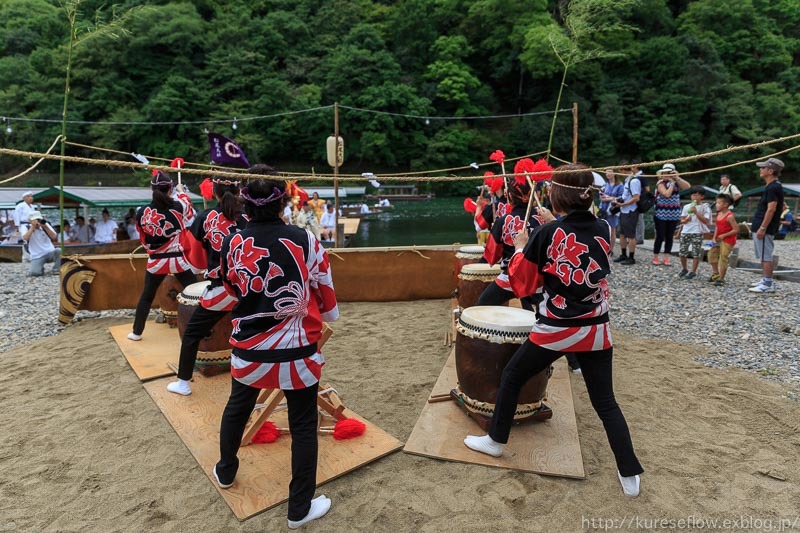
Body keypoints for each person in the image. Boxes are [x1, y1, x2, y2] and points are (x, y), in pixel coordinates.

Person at [463, 164, 643, 497]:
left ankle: (495, 440)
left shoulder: (544, 234)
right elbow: (579, 240)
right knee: (605, 402)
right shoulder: (605, 228)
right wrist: (555, 225)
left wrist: (520, 247)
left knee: (513, 376)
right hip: (596, 329)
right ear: (589, 196)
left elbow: (523, 282)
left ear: (555, 195)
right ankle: (629, 472)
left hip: (557, 328)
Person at [215, 170, 338, 529]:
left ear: (244, 203)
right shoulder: (305, 240)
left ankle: (225, 471)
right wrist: (324, 311)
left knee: (238, 407)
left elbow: (231, 290)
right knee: (302, 424)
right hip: (297, 352)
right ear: (285, 201)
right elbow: (327, 298)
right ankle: (299, 508)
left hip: (249, 350)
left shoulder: (231, 242)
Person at [167, 178, 246, 396]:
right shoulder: (249, 218)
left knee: (192, 333)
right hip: (251, 289)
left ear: (215, 193)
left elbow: (196, 263)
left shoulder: (204, 218)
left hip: (222, 290)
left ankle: (183, 382)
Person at [127, 171, 197, 341]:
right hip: (178, 260)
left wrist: (153, 250)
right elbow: (190, 212)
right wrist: (180, 191)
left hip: (156, 261)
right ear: (170, 188)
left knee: (147, 296)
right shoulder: (179, 206)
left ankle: (137, 332)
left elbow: (143, 238)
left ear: (152, 189)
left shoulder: (142, 212)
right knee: (197, 293)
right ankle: (206, 326)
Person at [477, 174, 553, 310]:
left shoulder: (504, 220)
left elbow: (492, 256)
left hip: (510, 277)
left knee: (481, 306)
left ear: (509, 197)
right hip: (539, 278)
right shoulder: (544, 219)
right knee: (540, 309)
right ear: (533, 195)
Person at [748, 158, 785, 293]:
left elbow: (771, 209)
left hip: (765, 227)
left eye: (763, 168)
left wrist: (763, 227)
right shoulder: (771, 186)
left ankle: (768, 283)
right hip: (762, 225)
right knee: (763, 254)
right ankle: (765, 279)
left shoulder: (774, 186)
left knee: (766, 255)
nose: (760, 170)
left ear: (770, 171)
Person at [652, 163, 690, 265]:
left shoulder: (676, 182)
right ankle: (656, 256)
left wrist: (677, 178)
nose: (668, 174)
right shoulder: (660, 183)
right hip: (661, 214)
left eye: (670, 172)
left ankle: (666, 257)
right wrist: (671, 183)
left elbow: (687, 187)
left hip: (673, 214)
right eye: (666, 173)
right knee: (660, 236)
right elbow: (667, 194)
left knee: (670, 236)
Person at [677, 187, 711, 280]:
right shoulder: (686, 207)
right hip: (686, 231)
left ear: (702, 196)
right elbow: (681, 220)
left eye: (696, 195)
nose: (694, 197)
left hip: (697, 231)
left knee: (696, 253)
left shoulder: (705, 207)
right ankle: (684, 268)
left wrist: (696, 212)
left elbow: (706, 221)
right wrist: (685, 220)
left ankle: (693, 271)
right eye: (692, 195)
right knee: (682, 252)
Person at [612, 163, 641, 265]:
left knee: (631, 235)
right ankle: (623, 254)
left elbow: (636, 198)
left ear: (624, 170)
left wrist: (622, 204)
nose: (619, 173)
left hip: (630, 211)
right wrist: (618, 202)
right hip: (623, 210)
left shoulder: (634, 181)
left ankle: (631, 257)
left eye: (620, 170)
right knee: (622, 234)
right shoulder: (627, 180)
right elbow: (626, 195)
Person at [707, 194, 738, 286]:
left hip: (728, 240)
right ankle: (716, 273)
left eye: (719, 203)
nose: (716, 204)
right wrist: (714, 237)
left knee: (723, 257)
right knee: (711, 254)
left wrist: (724, 235)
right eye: (717, 202)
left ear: (725, 204)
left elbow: (736, 229)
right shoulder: (719, 214)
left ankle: (721, 278)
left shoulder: (730, 216)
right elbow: (717, 226)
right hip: (719, 238)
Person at [23, 211, 61, 276]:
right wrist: (32, 227)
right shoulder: (26, 227)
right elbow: (25, 238)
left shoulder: (46, 225)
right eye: (35, 220)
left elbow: (54, 237)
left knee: (59, 250)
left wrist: (45, 227)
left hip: (49, 252)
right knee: (35, 273)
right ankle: (40, 268)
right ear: (30, 221)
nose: (38, 222)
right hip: (37, 255)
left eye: (39, 219)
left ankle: (56, 269)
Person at [598, 168, 624, 256]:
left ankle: (611, 249)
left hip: (612, 210)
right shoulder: (604, 185)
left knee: (612, 230)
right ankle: (603, 248)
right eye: (606, 173)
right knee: (603, 229)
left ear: (614, 173)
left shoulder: (620, 185)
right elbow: (601, 198)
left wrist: (608, 198)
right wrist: (611, 198)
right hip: (603, 210)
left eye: (610, 172)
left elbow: (621, 198)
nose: (608, 174)